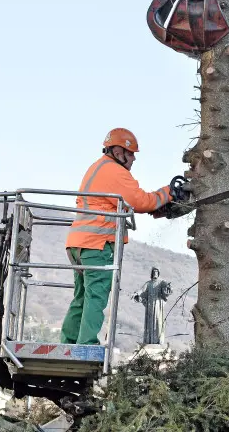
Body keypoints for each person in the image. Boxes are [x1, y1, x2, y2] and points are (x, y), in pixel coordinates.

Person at [60, 128, 173, 345]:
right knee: (96, 296)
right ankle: (85, 346)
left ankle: (68, 343)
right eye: (130, 154)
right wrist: (169, 193)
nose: (133, 159)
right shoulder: (115, 172)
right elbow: (141, 202)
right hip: (97, 244)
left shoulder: (97, 167)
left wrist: (156, 207)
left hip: (77, 244)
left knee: (81, 297)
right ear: (118, 151)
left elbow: (128, 204)